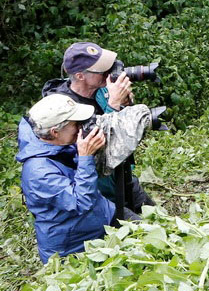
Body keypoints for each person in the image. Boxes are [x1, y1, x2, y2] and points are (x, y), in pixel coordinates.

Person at [42, 41, 155, 210]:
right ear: (80, 75)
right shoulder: (63, 109)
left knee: (159, 216)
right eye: (101, 69)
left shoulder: (101, 88)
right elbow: (98, 151)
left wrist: (125, 103)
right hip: (99, 188)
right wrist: (113, 104)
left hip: (123, 175)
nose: (108, 72)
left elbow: (124, 126)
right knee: (134, 229)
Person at [16, 94, 115, 263]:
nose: (81, 128)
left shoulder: (53, 143)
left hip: (99, 219)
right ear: (55, 132)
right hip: (74, 249)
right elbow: (81, 202)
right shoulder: (38, 172)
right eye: (76, 124)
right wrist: (85, 156)